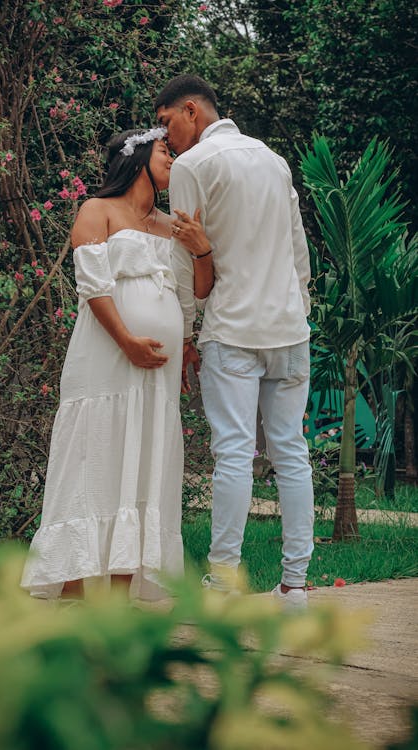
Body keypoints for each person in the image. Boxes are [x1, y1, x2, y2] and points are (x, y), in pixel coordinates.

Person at [21, 127, 213, 601]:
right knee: (95, 456)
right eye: (166, 151)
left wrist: (201, 247)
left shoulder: (173, 225)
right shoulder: (97, 210)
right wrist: (127, 341)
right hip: (106, 359)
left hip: (159, 374)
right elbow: (92, 285)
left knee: (144, 460)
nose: (173, 159)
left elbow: (198, 291)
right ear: (138, 157)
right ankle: (74, 589)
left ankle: (123, 594)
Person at [155, 74, 314, 607]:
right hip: (290, 330)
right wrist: (299, 311)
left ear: (193, 112)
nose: (167, 137)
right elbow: (299, 252)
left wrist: (183, 334)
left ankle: (222, 580)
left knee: (233, 455)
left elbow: (184, 263)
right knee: (292, 454)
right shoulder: (273, 160)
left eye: (167, 122)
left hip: (233, 332)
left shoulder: (193, 167)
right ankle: (294, 586)